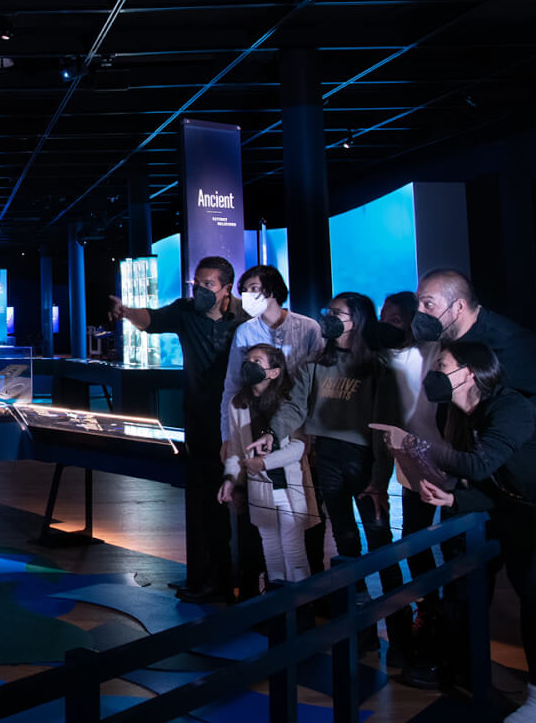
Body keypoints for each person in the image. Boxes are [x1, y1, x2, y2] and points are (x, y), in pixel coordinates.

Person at [372, 341, 536, 723]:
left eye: (442, 365)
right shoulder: (474, 419)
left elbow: (480, 466)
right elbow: (500, 486)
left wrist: (414, 443)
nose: (434, 373)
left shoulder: (510, 406)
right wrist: (453, 502)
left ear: (468, 372)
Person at [109, 255, 242, 603]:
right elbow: (150, 320)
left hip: (240, 424)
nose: (199, 289)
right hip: (200, 422)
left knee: (241, 503)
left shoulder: (245, 319)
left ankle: (243, 580)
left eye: (208, 284)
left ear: (226, 288)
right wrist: (126, 311)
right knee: (205, 501)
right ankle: (211, 579)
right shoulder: (185, 311)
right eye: (196, 283)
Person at [298, 291, 408, 652]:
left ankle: (401, 631)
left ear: (357, 318)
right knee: (345, 541)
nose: (330, 317)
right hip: (326, 457)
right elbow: (300, 407)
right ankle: (359, 631)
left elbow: (385, 427)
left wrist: (379, 479)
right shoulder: (318, 359)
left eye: (338, 312)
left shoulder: (378, 366)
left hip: (363, 459)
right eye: (327, 310)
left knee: (380, 542)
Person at [413, 269, 536, 462]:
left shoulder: (510, 342)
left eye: (428, 304)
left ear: (458, 306)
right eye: (418, 304)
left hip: (522, 463)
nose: (420, 313)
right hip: (470, 460)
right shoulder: (443, 338)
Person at [376, 291, 444, 686]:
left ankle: (443, 626)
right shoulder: (388, 360)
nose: (388, 325)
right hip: (411, 465)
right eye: (384, 318)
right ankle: (425, 616)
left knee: (453, 544)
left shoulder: (438, 356)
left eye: (395, 319)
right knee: (416, 541)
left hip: (450, 462)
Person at [219, 344, 320, 584]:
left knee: (294, 551)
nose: (249, 365)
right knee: (271, 551)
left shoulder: (288, 403)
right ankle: (277, 609)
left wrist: (264, 463)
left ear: (274, 372)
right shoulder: (238, 404)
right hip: (259, 489)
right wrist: (230, 479)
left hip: (288, 486)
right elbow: (235, 447)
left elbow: (299, 447)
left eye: (257, 361)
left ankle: (301, 607)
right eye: (248, 360)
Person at [220, 265, 325, 442]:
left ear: (272, 289)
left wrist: (314, 429)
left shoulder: (309, 328)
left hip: (300, 417)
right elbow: (232, 384)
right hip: (258, 417)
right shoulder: (245, 331)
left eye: (254, 288)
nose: (248, 295)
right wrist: (228, 437)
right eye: (244, 291)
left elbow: (320, 382)